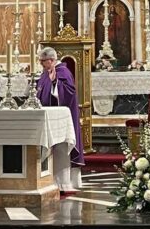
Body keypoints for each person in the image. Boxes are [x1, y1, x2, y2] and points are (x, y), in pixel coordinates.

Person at [36, 47, 84, 193]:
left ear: (51, 60)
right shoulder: (45, 73)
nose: (41, 65)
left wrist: (56, 82)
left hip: (61, 119)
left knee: (61, 148)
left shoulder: (63, 72)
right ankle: (48, 181)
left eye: (43, 62)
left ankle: (63, 183)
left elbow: (69, 92)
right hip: (47, 116)